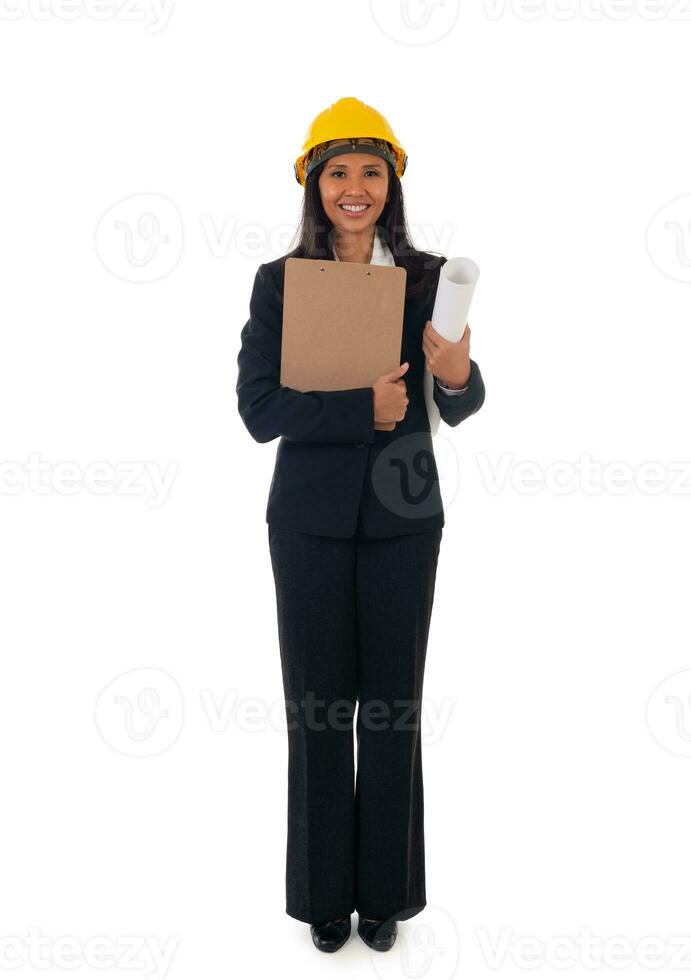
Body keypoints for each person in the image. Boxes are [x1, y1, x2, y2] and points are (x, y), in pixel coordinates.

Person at [236, 96, 486, 953]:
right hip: (304, 518)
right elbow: (258, 409)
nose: (353, 188)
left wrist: (456, 376)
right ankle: (322, 901)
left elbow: (466, 396)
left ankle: (383, 896)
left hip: (404, 511)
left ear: (392, 184)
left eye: (369, 172)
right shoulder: (279, 281)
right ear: (312, 184)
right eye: (336, 172)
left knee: (390, 708)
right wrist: (359, 408)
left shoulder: (430, 274)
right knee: (316, 710)